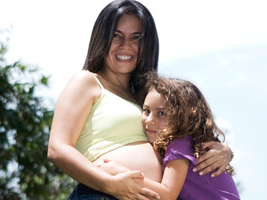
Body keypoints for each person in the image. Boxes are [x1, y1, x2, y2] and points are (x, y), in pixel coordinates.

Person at [47, 0, 233, 199]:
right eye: (116, 36)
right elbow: (58, 148)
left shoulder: (149, 98)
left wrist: (224, 150)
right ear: (102, 39)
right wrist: (109, 184)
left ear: (146, 45)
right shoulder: (87, 81)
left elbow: (184, 135)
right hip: (104, 194)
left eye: (135, 38)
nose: (125, 46)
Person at [139, 73, 240, 199]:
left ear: (184, 116)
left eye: (161, 113)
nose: (149, 120)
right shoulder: (188, 143)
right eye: (147, 111)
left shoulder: (180, 143)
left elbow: (166, 195)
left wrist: (118, 173)